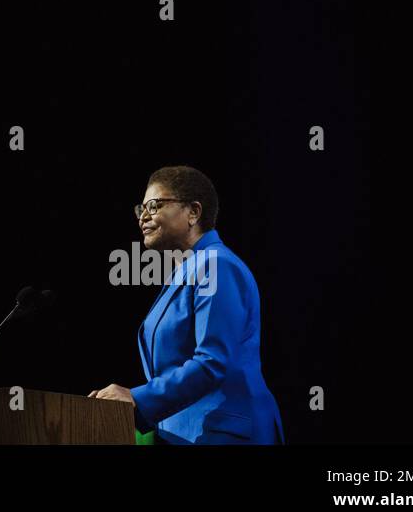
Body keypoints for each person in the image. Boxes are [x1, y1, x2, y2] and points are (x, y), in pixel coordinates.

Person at [89, 166, 285, 444]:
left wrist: (135, 397)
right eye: (141, 209)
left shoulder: (217, 265)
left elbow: (212, 362)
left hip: (224, 434)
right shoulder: (186, 271)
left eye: (155, 206)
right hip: (184, 435)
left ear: (194, 212)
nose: (144, 216)